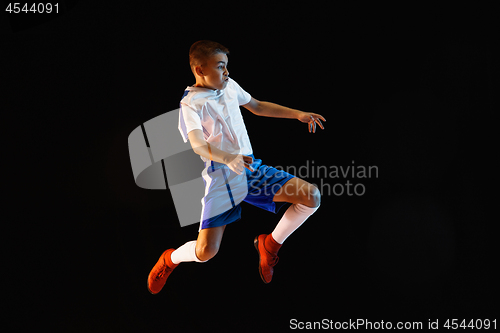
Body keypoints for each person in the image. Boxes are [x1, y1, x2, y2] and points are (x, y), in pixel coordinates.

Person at [147, 40, 326, 294]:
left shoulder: (229, 86)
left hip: (250, 169)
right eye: (221, 67)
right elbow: (198, 144)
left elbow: (257, 106)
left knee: (312, 196)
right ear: (200, 70)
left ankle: (270, 245)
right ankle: (169, 259)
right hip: (221, 178)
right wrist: (227, 158)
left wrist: (298, 114)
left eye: (226, 66)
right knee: (206, 251)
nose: (227, 72)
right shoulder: (190, 104)